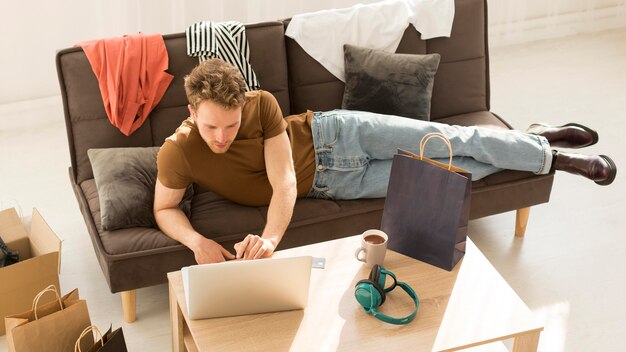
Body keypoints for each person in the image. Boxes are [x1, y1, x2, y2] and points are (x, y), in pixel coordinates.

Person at [154, 59, 617, 264]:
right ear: (192, 112)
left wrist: (272, 239)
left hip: (337, 133)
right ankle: (530, 141)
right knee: (451, 170)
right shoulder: (178, 152)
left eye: (231, 127)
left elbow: (285, 182)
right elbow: (164, 208)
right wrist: (196, 242)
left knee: (449, 139)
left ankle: (555, 158)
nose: (222, 137)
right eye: (212, 127)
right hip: (336, 186)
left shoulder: (260, 104)